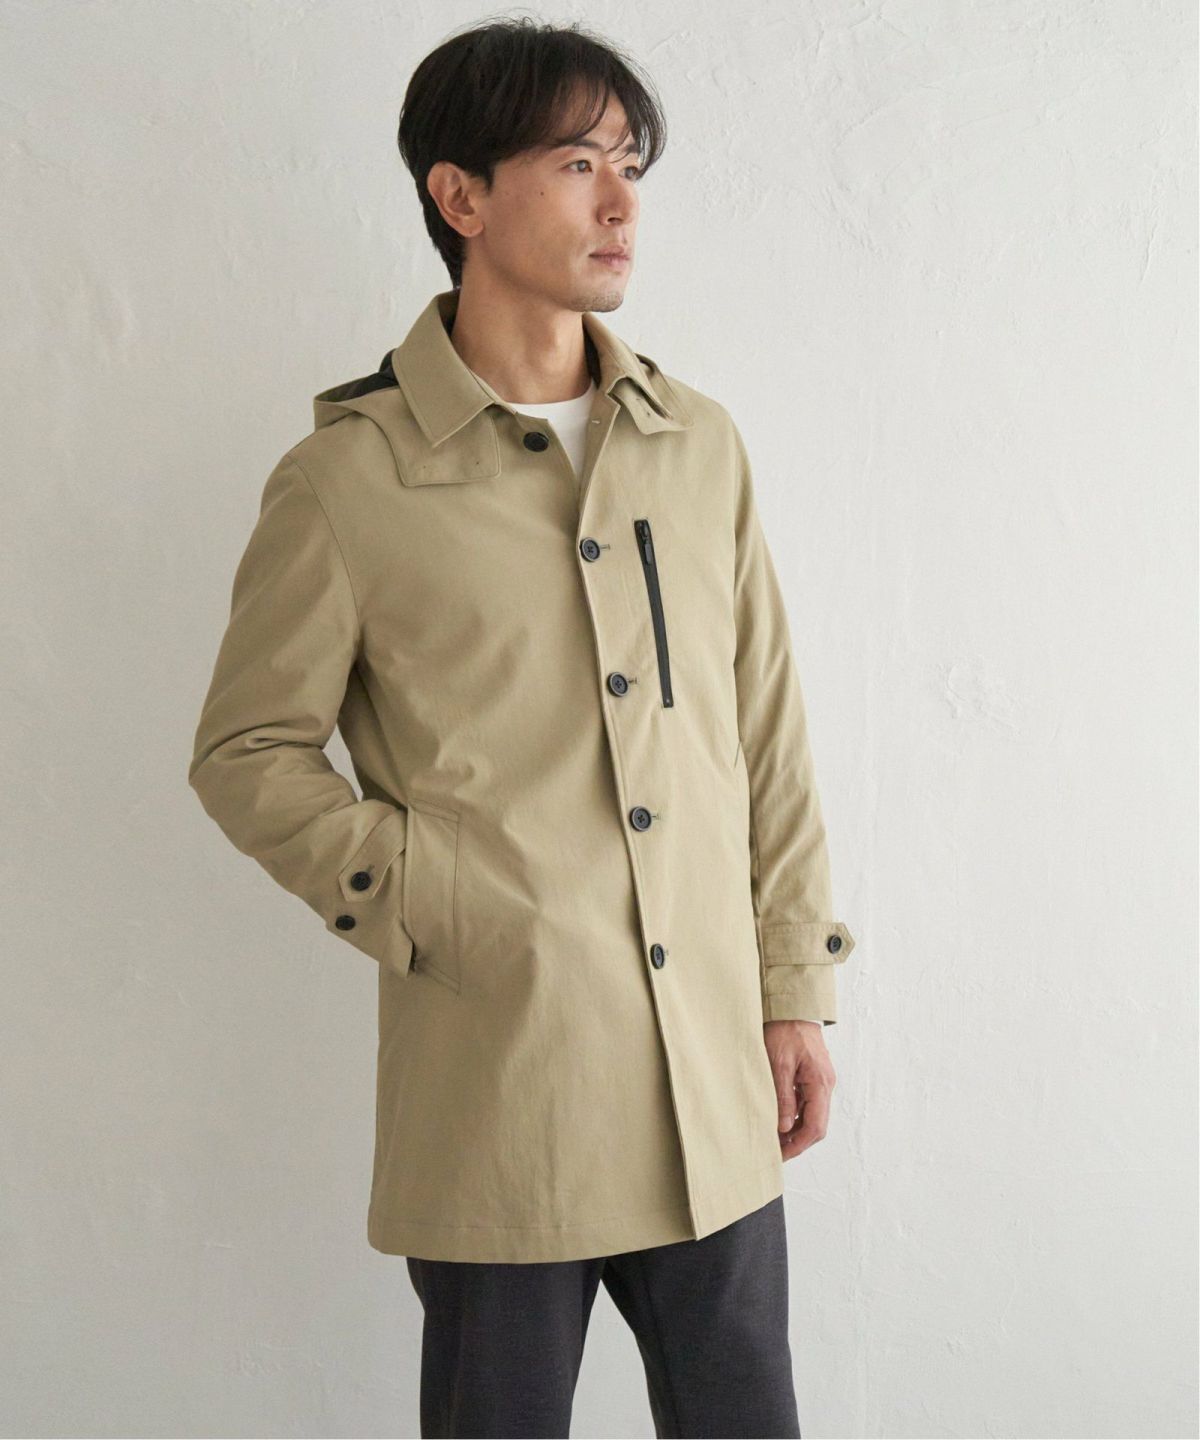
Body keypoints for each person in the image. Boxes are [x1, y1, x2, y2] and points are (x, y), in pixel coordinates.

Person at [188, 17, 857, 1439]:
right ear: (462, 196)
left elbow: (768, 733)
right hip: (502, 1092)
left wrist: (794, 982)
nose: (621, 202)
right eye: (576, 163)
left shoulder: (696, 445)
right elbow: (247, 751)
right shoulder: (347, 479)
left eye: (630, 166)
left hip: (711, 1087)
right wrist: (432, 896)